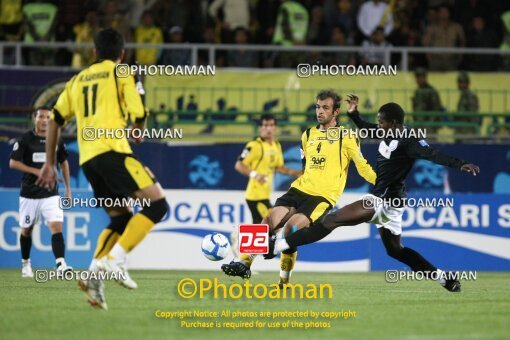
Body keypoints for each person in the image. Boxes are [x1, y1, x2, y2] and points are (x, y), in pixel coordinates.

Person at [265, 95, 480, 293]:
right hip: (391, 204)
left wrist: (461, 164)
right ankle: (444, 278)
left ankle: (279, 245)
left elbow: (434, 154)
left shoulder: (410, 141)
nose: (378, 126)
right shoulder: (385, 132)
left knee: (332, 220)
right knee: (395, 251)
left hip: (383, 201)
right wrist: (354, 115)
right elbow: (366, 128)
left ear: (395, 124)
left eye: (382, 122)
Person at [36, 28, 169, 310]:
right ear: (122, 54)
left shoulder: (77, 80)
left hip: (89, 160)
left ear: (93, 52)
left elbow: (55, 120)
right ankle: (115, 260)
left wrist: (49, 162)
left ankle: (94, 278)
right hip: (113, 151)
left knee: (121, 219)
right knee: (157, 205)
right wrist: (138, 130)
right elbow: (139, 113)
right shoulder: (123, 72)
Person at [222, 89, 376, 286]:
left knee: (290, 230)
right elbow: (306, 164)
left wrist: (382, 183)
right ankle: (244, 263)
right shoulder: (308, 134)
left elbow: (362, 166)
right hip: (299, 189)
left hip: (322, 196)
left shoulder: (347, 136)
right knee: (269, 218)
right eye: (318, 107)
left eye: (325, 108)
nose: (320, 111)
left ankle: (283, 281)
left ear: (336, 112)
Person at [9, 107, 72, 278]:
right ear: (34, 118)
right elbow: (13, 163)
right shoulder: (25, 139)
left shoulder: (56, 139)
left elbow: (64, 163)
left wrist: (67, 189)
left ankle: (60, 263)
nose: (45, 120)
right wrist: (36, 171)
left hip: (51, 193)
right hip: (29, 194)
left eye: (48, 117)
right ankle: (26, 263)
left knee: (56, 226)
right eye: (41, 117)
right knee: (26, 230)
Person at [236, 113, 301, 225]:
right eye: (265, 125)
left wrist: (296, 173)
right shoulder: (254, 145)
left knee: (263, 226)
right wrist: (255, 175)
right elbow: (239, 165)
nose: (268, 128)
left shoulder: (276, 145)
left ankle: (241, 238)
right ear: (260, 128)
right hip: (255, 195)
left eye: (271, 125)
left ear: (275, 127)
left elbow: (279, 167)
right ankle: (239, 238)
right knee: (269, 224)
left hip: (265, 194)